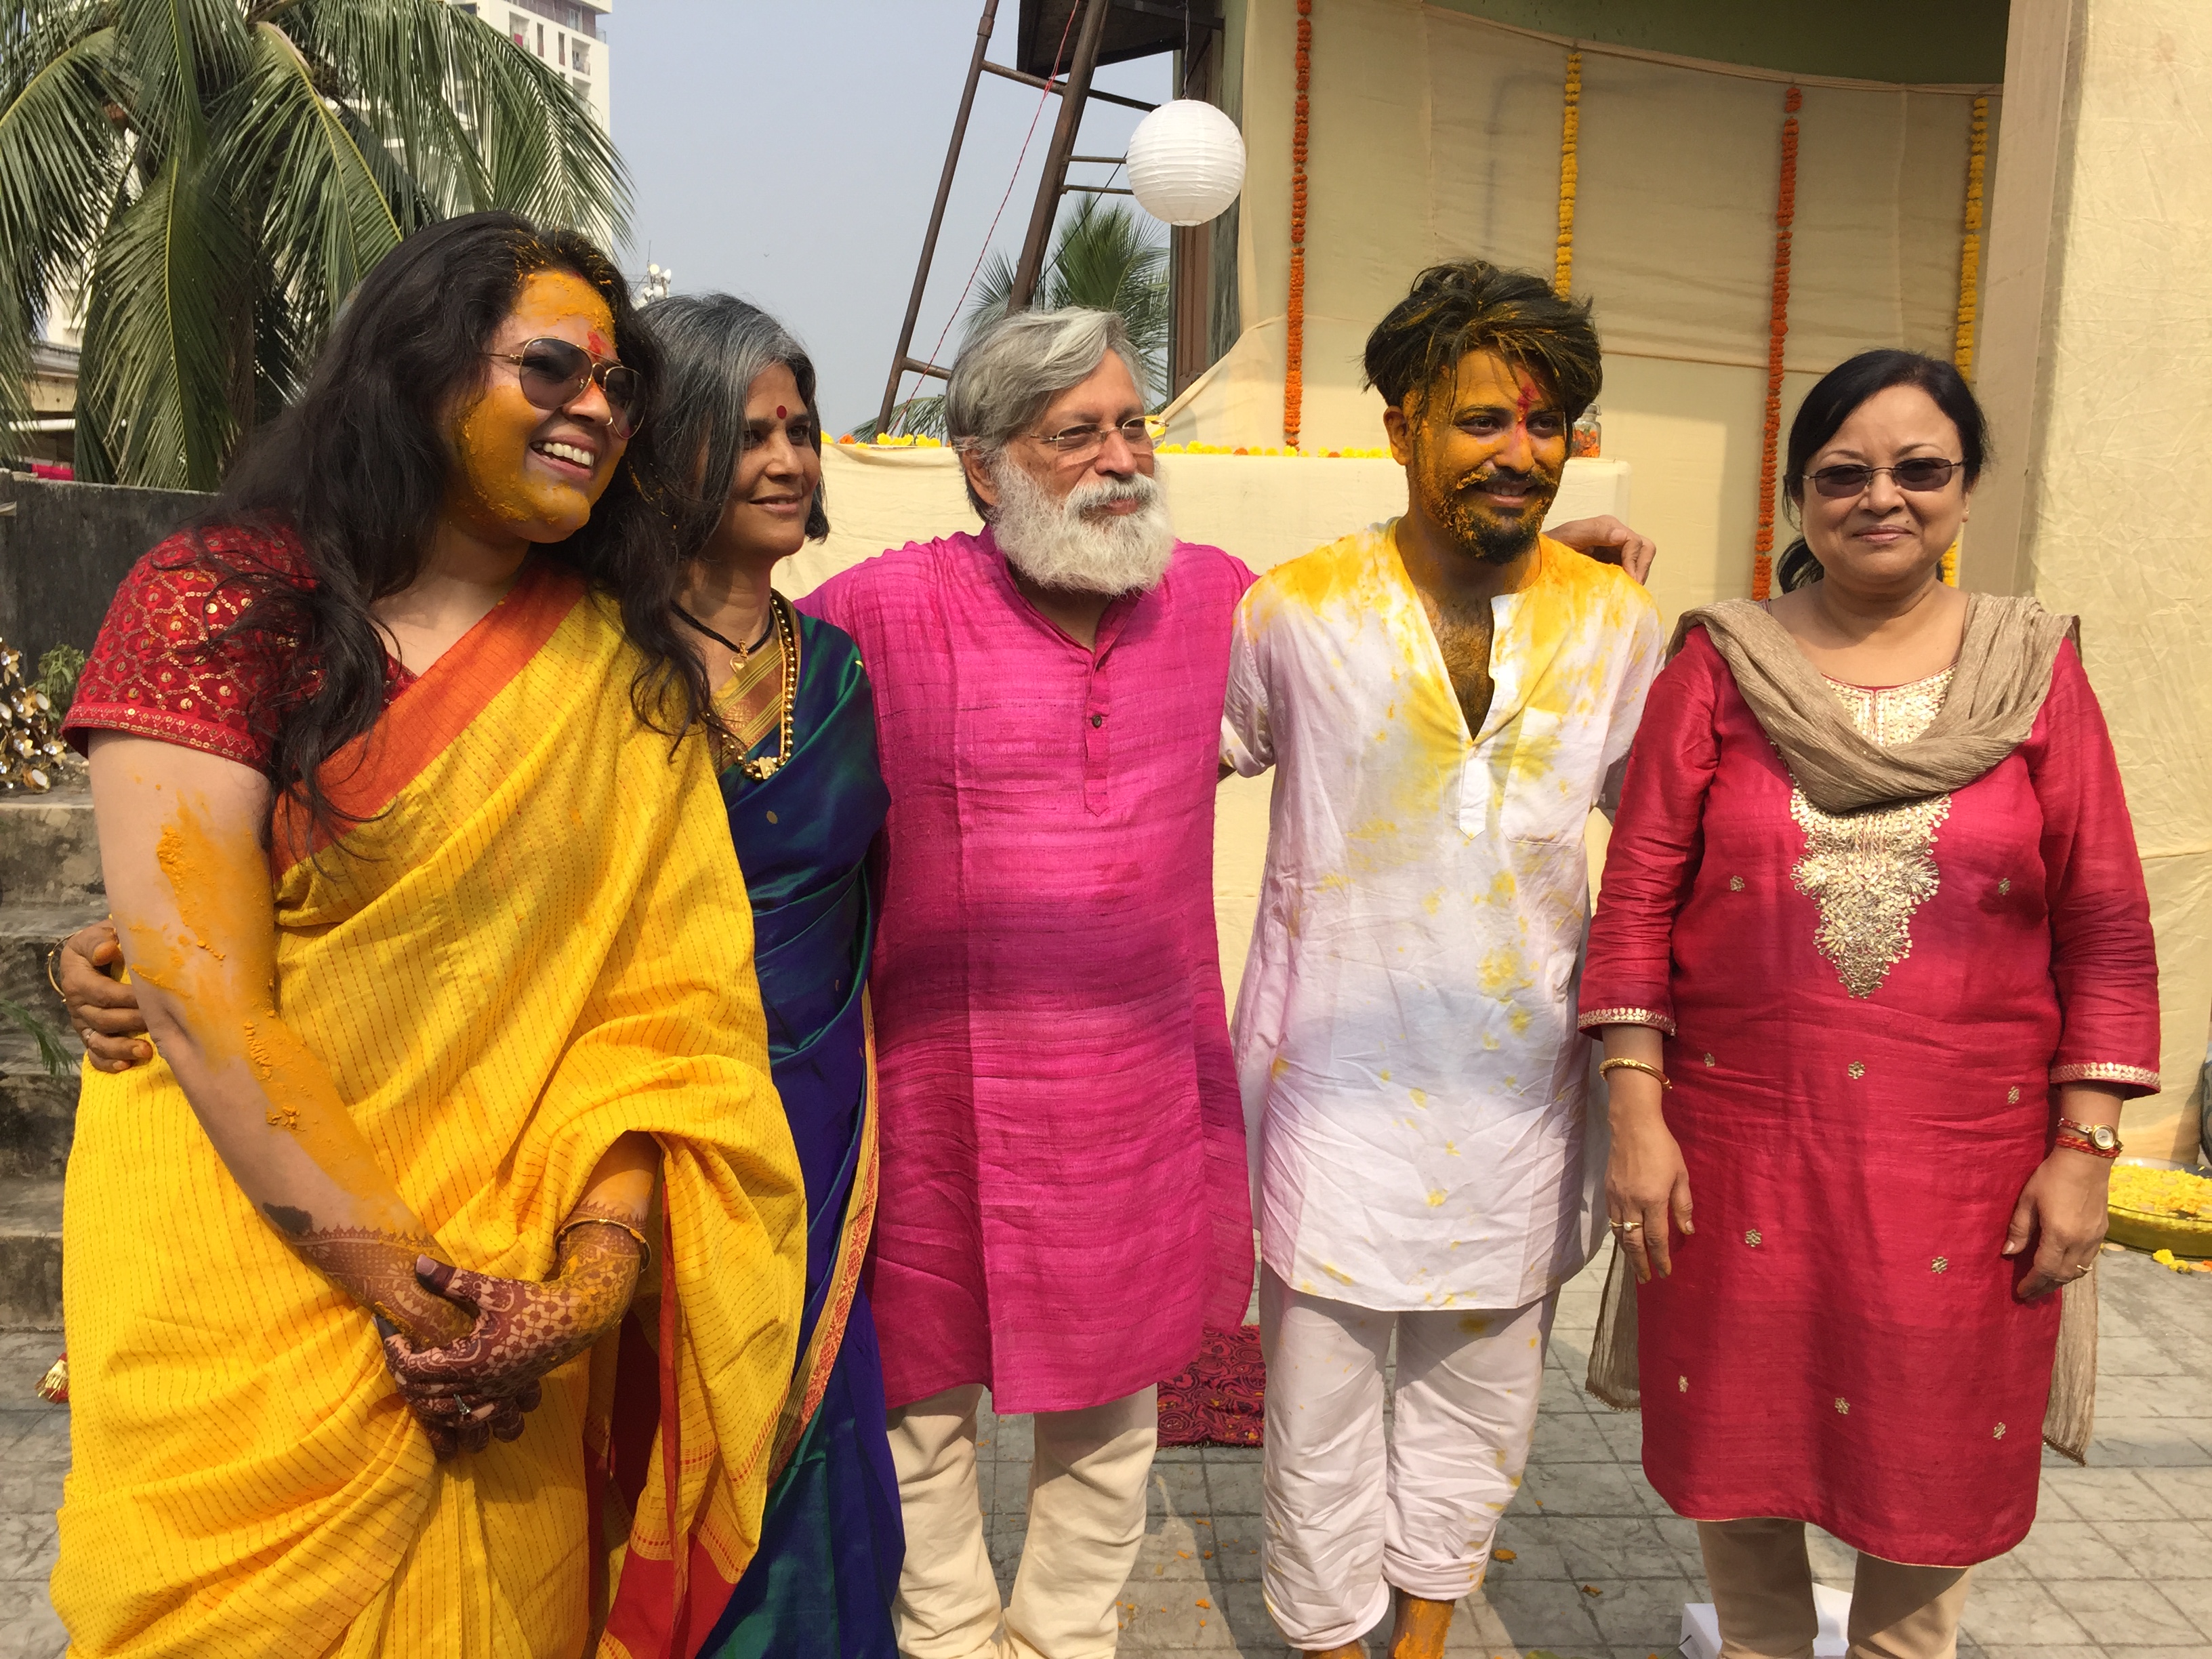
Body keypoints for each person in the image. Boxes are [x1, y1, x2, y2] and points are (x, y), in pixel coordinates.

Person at [46, 212, 806, 1658]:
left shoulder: (618, 669)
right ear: (418, 365)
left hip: (514, 1314)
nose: (597, 409)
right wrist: (423, 1306)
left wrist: (584, 1289)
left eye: (619, 385)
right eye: (552, 368)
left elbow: (661, 1023)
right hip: (249, 1290)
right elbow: (200, 996)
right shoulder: (222, 602)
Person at [1579, 349, 2158, 1659]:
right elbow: (1636, 907)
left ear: (1967, 487)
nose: (1881, 497)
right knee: (1738, 1454)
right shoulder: (1721, 664)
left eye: (1919, 469)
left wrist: (2086, 1154)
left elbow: (2108, 932)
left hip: (1967, 1166)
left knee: (1934, 1467)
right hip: (1740, 1150)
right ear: (1799, 495)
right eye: (1844, 473)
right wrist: (1637, 1121)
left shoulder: (2033, 668)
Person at [795, 308, 1256, 1659]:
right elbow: (722, 689)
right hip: (936, 1097)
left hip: (1138, 1103)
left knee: (1112, 1418)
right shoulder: (881, 613)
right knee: (918, 1404)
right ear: (984, 466)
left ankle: (1064, 1640)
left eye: (1132, 426)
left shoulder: (1218, 601)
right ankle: (946, 1636)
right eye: (1076, 435)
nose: (1120, 459)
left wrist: (1526, 573)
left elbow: (1376, 642)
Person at [1220, 260, 1664, 1659]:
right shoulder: (1292, 613)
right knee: (1320, 1420)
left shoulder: (1615, 623)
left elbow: (1666, 847)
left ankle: (1421, 1642)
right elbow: (1152, 762)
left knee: (1479, 1412)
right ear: (1402, 424)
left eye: (1546, 424)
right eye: (1481, 421)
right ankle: (1326, 1645)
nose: (1519, 452)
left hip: (1522, 1100)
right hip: (1327, 1100)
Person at [646, 293, 904, 1655]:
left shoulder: (842, 669)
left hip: (823, 1129)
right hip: (662, 1122)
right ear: (669, 447)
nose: (789, 459)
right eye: (749, 433)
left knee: (817, 1445)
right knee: (675, 1434)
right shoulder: (600, 662)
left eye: (799, 430)